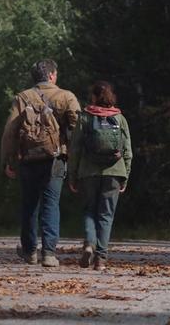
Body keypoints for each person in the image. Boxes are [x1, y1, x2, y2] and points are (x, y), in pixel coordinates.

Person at [0, 59, 80, 267]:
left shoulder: (23, 97)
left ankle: (29, 252)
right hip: (55, 158)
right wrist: (77, 159)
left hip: (28, 159)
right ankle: (49, 254)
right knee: (51, 204)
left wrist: (8, 160)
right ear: (52, 75)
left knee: (29, 205)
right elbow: (78, 130)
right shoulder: (66, 96)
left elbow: (10, 132)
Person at [68, 81, 132, 271]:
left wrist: (72, 176)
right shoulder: (119, 118)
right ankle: (100, 259)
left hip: (89, 172)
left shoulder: (85, 117)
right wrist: (125, 176)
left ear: (94, 96)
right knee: (106, 215)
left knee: (89, 210)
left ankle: (89, 243)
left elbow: (75, 149)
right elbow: (128, 151)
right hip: (114, 172)